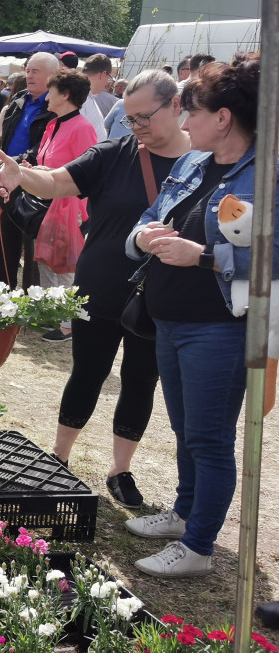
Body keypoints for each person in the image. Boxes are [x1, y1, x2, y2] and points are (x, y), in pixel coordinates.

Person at [0, 69, 189, 508]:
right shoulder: (116, 153)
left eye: (144, 118)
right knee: (87, 372)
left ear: (176, 106)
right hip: (101, 283)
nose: (135, 127)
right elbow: (58, 181)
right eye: (130, 118)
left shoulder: (201, 163)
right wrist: (22, 174)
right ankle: (59, 457)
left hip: (161, 294)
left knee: (140, 381)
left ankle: (121, 470)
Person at [123, 53, 271, 577]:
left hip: (221, 329)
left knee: (209, 437)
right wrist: (143, 237)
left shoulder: (266, 175)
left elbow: (270, 258)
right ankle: (184, 513)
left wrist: (203, 255)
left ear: (224, 118)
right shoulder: (192, 162)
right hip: (170, 320)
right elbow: (149, 217)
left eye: (194, 113)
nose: (184, 124)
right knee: (186, 430)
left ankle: (200, 546)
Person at [27, 68, 99, 341]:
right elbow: (47, 163)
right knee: (46, 261)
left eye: (51, 91)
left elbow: (88, 172)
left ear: (65, 94)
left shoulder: (81, 128)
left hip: (69, 207)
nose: (46, 97)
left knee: (66, 265)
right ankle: (52, 315)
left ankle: (69, 324)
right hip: (47, 204)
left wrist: (82, 215)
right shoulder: (52, 124)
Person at [0, 52, 58, 289]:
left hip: (35, 180)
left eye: (35, 71)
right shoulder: (18, 100)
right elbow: (3, 137)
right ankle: (2, 292)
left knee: (32, 246)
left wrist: (15, 162)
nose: (29, 75)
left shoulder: (56, 105)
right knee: (4, 240)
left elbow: (45, 146)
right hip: (8, 180)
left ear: (53, 75)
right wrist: (0, 158)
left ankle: (32, 299)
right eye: (28, 70)